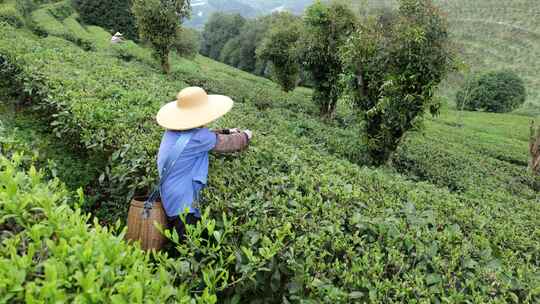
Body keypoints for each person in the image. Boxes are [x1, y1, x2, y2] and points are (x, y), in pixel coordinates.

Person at [155, 86, 252, 240]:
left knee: (181, 240)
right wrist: (246, 135)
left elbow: (205, 136)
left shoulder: (172, 132)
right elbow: (230, 143)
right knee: (189, 247)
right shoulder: (199, 137)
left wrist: (227, 130)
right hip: (183, 204)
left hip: (170, 195)